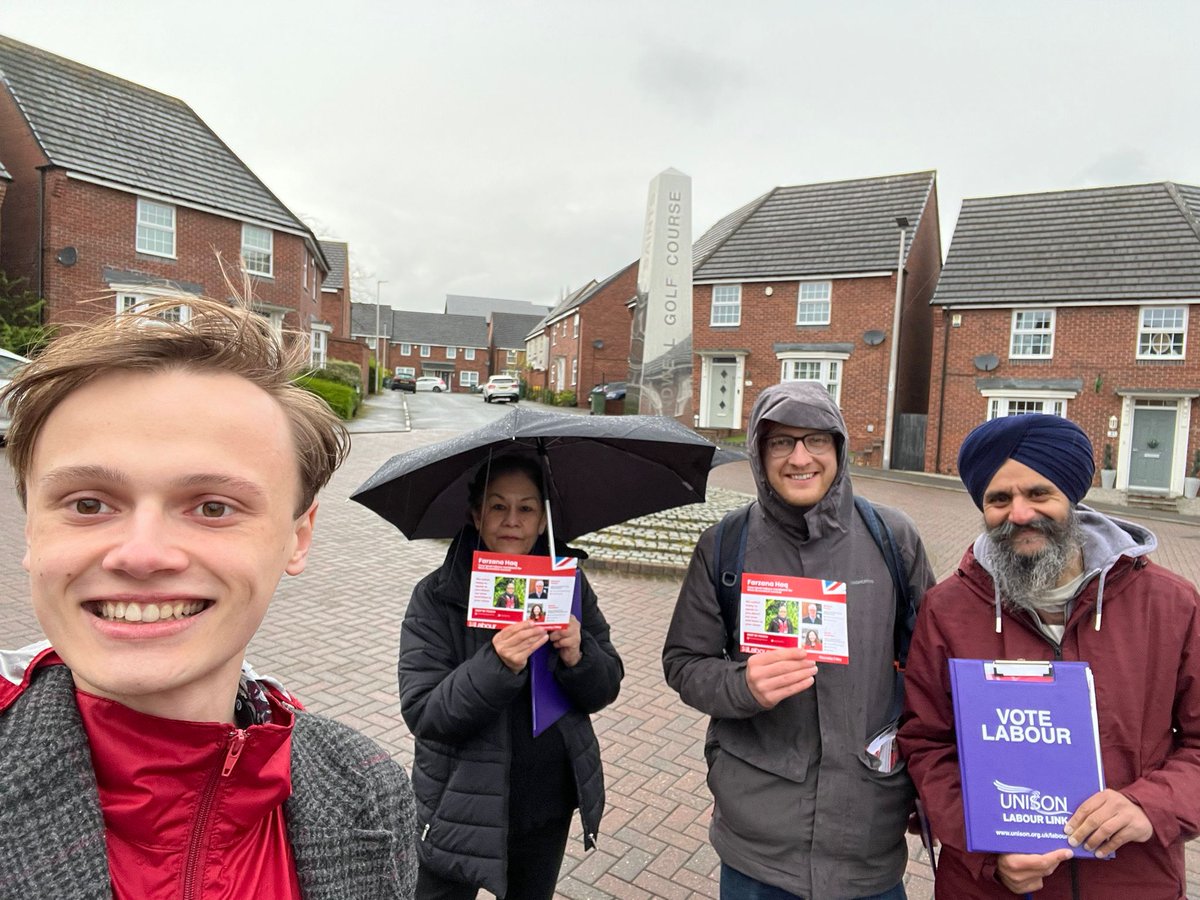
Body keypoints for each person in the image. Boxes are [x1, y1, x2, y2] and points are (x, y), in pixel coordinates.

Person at [0, 297, 418, 898]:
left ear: (297, 538)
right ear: (33, 533)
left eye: (213, 507)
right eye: (88, 504)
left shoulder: (370, 793)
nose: (142, 554)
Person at [899, 414, 1200, 898]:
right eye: (999, 499)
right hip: (990, 888)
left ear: (1072, 499)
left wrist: (1152, 808)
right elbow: (927, 743)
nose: (1019, 514)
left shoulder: (1170, 605)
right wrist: (989, 854)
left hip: (1132, 881)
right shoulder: (949, 608)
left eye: (1039, 494)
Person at [663, 381, 936, 899]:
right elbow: (683, 661)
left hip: (867, 833)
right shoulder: (726, 544)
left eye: (816, 440)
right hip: (760, 838)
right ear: (760, 453)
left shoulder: (893, 537)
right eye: (781, 442)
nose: (800, 457)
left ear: (839, 448)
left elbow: (933, 670)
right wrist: (743, 685)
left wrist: (932, 784)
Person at [399, 454, 624, 899]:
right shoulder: (438, 595)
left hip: (544, 800)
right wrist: (496, 663)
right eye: (498, 506)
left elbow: (606, 686)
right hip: (458, 802)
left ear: (543, 521)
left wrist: (581, 655)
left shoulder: (569, 585)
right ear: (475, 514)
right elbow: (424, 713)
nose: (512, 520)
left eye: (526, 508)